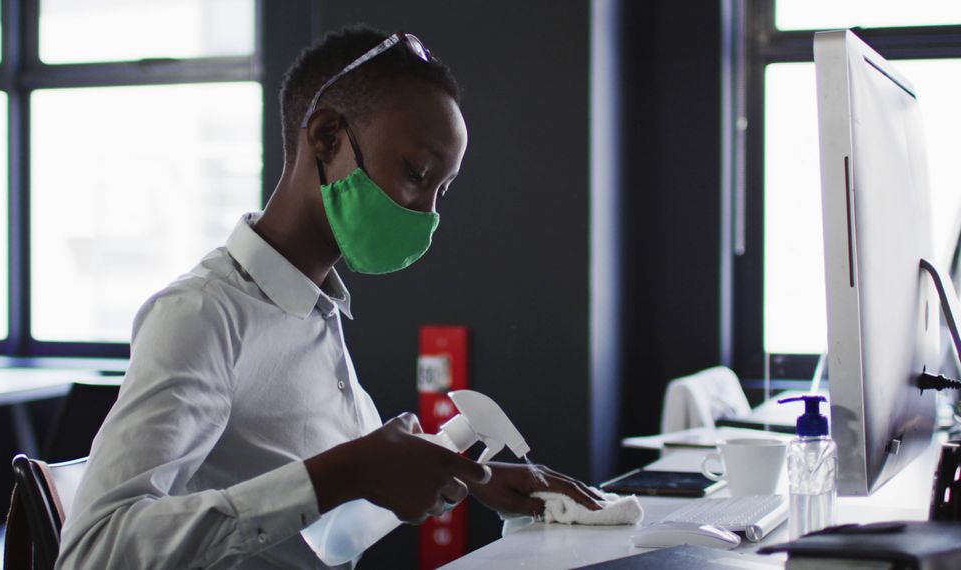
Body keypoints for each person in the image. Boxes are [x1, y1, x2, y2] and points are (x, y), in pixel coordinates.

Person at [57, 25, 600, 569]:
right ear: (326, 138)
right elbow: (94, 550)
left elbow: (354, 496)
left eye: (442, 191)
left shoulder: (315, 312)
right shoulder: (202, 315)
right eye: (417, 173)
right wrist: (338, 475)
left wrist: (476, 475)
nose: (428, 213)